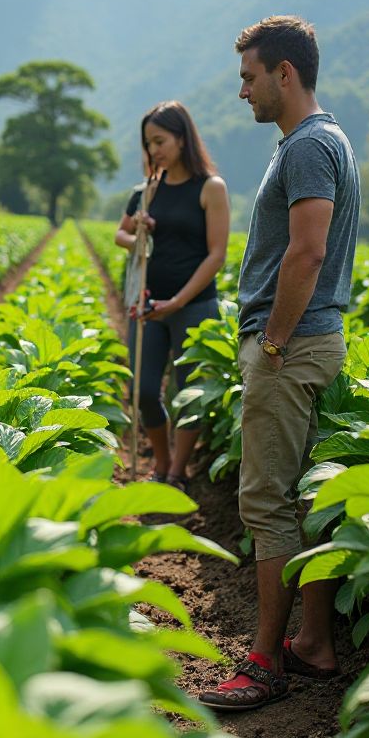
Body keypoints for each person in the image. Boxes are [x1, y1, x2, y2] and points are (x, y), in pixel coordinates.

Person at [201, 16, 360, 711]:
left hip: (291, 348)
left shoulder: (308, 147)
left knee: (266, 503)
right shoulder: (322, 140)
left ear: (284, 74)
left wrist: (271, 344)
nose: (243, 91)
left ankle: (264, 662)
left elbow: (308, 251)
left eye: (249, 77)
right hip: (310, 341)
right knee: (304, 498)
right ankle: (314, 643)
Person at [115, 101, 230, 485]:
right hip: (148, 304)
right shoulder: (147, 190)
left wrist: (179, 301)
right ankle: (161, 463)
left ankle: (178, 471)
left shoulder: (210, 188)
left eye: (160, 141)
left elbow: (217, 254)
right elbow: (120, 235)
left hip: (194, 306)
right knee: (144, 390)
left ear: (182, 138)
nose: (154, 150)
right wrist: (139, 233)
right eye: (148, 143)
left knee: (189, 393)